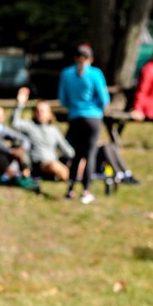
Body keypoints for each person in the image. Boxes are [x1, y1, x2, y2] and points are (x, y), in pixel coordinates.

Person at [58, 43, 110, 204]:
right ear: (91, 59)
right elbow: (104, 99)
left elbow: (63, 99)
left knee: (76, 154)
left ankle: (71, 189)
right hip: (93, 118)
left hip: (75, 118)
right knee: (90, 154)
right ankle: (86, 191)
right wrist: (95, 109)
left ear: (75, 58)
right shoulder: (95, 73)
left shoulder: (66, 73)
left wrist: (75, 108)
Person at [11, 87, 74, 182]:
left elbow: (67, 149)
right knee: (54, 166)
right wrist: (20, 104)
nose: (40, 113)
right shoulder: (30, 126)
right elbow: (14, 123)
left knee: (59, 165)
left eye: (43, 111)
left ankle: (66, 175)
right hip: (38, 165)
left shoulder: (54, 130)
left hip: (54, 161)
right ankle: (67, 176)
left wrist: (77, 158)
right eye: (37, 111)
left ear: (49, 113)